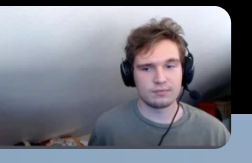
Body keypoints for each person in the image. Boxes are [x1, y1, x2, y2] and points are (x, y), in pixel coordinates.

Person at [91, 18, 228, 148]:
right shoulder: (106, 128)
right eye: (146, 68)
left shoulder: (215, 133)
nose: (160, 79)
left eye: (170, 66)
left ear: (185, 70)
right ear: (129, 74)